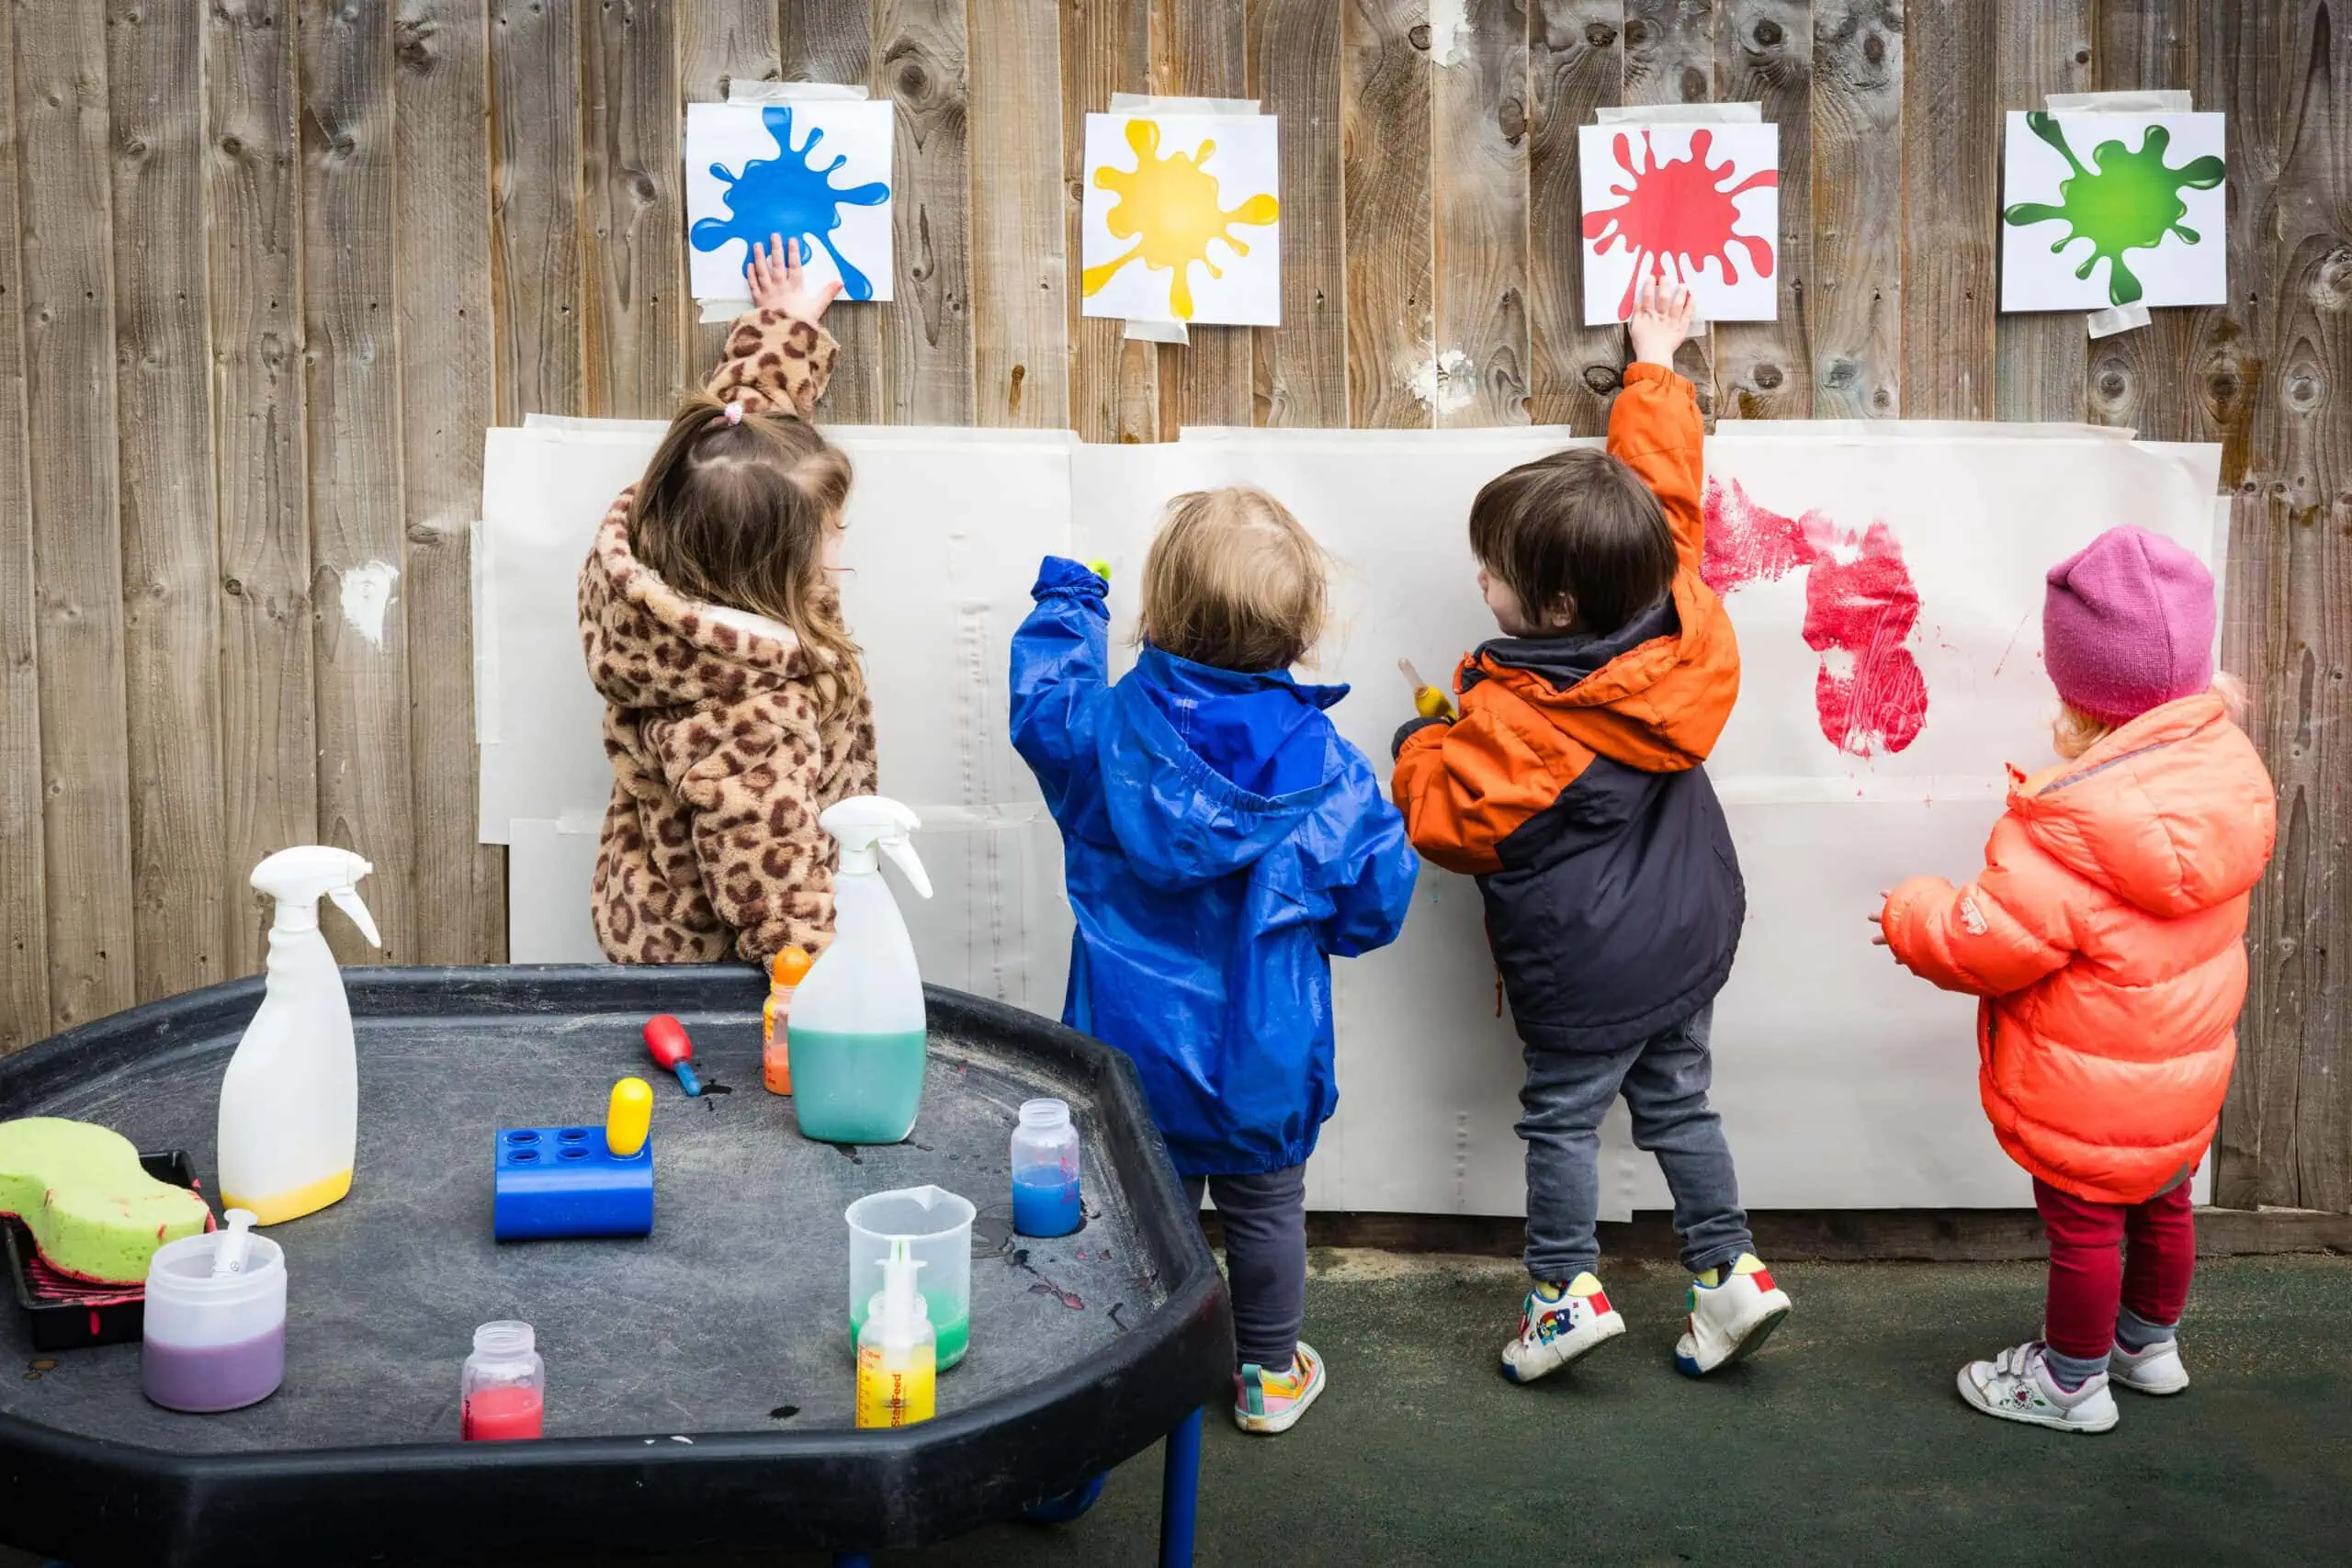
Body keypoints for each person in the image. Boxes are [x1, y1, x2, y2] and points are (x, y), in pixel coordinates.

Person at [1390, 278, 1792, 1384]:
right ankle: (1728, 1276)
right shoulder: (1677, 609)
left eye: (1497, 575)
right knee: (1678, 1101)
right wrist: (1652, 363)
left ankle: (1563, 1293)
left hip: (1588, 964)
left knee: (1562, 1122)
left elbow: (1440, 820)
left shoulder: (1523, 722)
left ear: (1556, 610)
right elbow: (1664, 486)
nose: (1481, 581)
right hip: (1685, 931)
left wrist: (1420, 738)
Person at [1010, 489, 1419, 1435]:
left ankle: (1125, 1364)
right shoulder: (1331, 773)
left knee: (1140, 1212)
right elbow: (1371, 913)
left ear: (1157, 611)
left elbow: (1045, 710)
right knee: (1266, 1211)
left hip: (1126, 1045)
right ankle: (1268, 1377)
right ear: (1300, 629)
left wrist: (1070, 601)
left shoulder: (1106, 738)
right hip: (1258, 1058)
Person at [1875, 525, 2275, 1434]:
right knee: (2165, 1203)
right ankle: (2147, 1346)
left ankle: (2069, 1385)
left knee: (2087, 1228)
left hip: (2085, 1089)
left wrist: (1912, 908)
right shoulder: (2229, 782)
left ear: (2080, 695)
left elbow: (1981, 944)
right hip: (2180, 1079)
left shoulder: (2063, 831)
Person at [580, 237, 877, 965]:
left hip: (651, 895)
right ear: (772, 567)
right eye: (828, 538)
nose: (839, 547)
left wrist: (784, 325)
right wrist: (818, 995)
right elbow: (774, 879)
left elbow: (745, 435)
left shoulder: (670, 544)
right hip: (712, 970)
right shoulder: (748, 716)